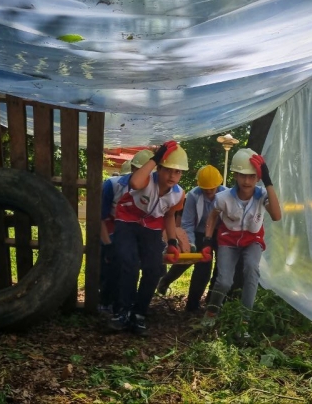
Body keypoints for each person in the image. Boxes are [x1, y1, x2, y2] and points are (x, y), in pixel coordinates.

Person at [109, 141, 188, 335]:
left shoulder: (178, 195)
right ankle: (122, 312)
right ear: (159, 168)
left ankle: (139, 314)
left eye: (177, 172)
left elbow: (169, 216)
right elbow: (134, 183)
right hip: (127, 222)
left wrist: (171, 242)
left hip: (151, 227)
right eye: (168, 170)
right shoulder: (145, 180)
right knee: (130, 264)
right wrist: (156, 157)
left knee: (154, 269)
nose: (172, 176)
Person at [201, 149, 282, 328]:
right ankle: (212, 310)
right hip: (228, 240)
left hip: (252, 239)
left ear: (258, 178)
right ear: (236, 175)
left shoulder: (262, 195)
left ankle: (245, 319)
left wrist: (268, 181)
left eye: (252, 176)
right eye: (243, 175)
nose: (247, 181)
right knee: (224, 281)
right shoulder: (223, 198)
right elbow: (213, 216)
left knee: (252, 270)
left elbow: (276, 215)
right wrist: (207, 239)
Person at [156, 165, 226, 311]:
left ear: (218, 185)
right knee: (202, 266)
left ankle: (212, 304)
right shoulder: (193, 196)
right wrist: (191, 243)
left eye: (211, 189)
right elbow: (187, 223)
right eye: (205, 189)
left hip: (220, 233)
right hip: (199, 232)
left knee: (221, 268)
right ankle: (191, 306)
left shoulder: (227, 195)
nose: (208, 192)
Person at [98, 149, 154, 313]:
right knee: (110, 265)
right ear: (134, 170)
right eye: (139, 171)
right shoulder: (112, 185)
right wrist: (108, 245)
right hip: (110, 229)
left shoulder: (153, 190)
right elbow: (100, 218)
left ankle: (128, 302)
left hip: (134, 232)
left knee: (133, 265)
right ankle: (105, 300)